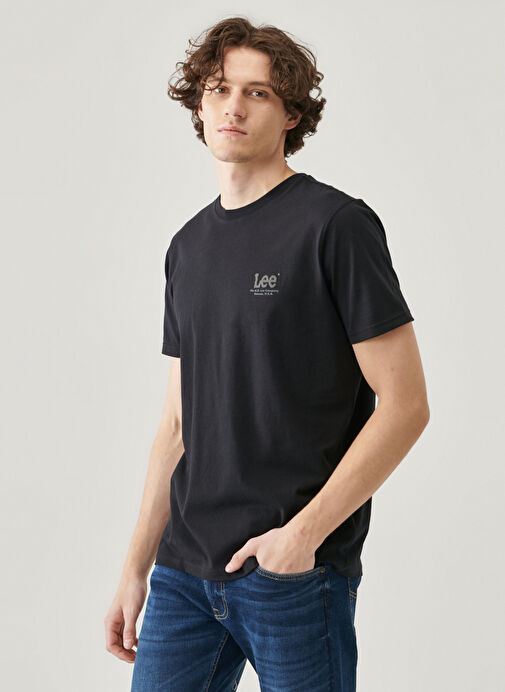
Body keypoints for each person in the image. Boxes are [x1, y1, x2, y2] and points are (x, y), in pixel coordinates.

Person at [104, 16, 430, 692]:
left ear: (291, 115)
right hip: (183, 575)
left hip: (290, 574)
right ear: (199, 105)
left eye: (257, 92)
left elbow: (405, 406)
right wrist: (136, 568)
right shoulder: (187, 247)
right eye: (219, 88)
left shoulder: (335, 226)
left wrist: (300, 537)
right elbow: (175, 426)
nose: (234, 106)